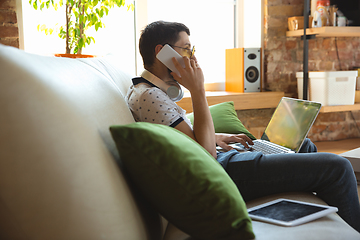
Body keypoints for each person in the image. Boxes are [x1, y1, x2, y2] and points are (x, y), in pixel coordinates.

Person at [126, 20, 360, 233]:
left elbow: (181, 139)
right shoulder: (149, 96)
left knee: (303, 145)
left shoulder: (151, 92)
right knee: (337, 167)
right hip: (223, 171)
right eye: (187, 49)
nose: (192, 58)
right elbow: (205, 156)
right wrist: (198, 90)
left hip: (225, 159)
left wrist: (215, 136)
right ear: (161, 52)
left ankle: (326, 221)